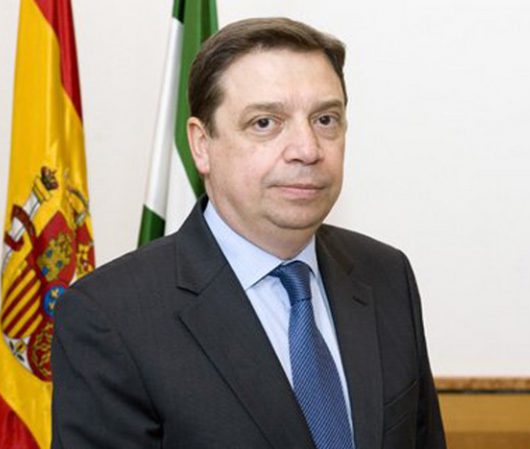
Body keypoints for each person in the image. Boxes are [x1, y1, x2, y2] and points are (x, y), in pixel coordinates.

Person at [52, 17, 446, 449]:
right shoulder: (109, 316)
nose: (307, 149)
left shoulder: (386, 275)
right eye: (265, 123)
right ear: (201, 145)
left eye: (325, 119)